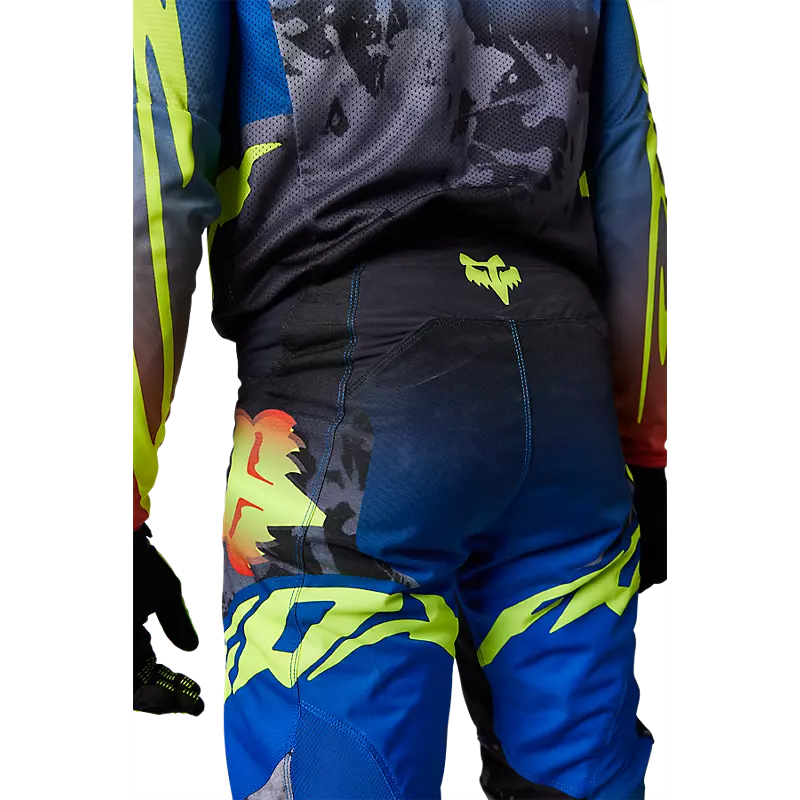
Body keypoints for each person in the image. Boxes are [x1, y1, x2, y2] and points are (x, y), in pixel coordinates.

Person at [133, 0, 667, 798]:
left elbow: (150, 188)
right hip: (566, 415)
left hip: (342, 418)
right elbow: (630, 181)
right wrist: (647, 451)